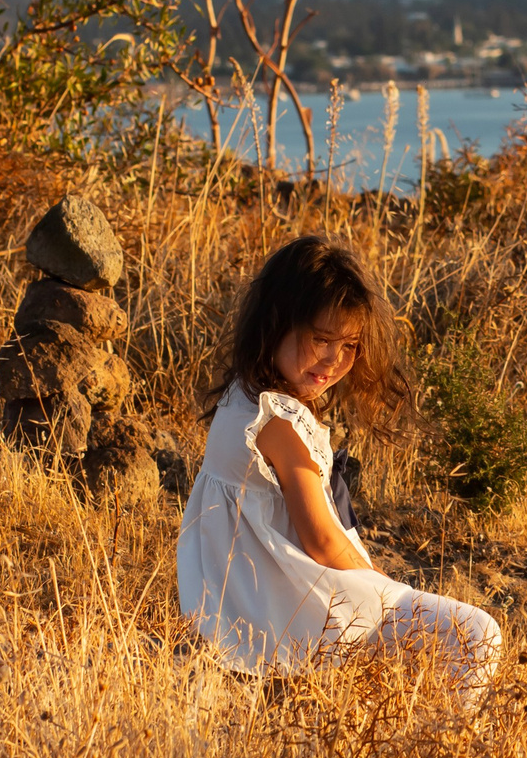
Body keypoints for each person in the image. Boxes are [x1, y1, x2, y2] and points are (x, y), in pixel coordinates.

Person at [176, 235, 502, 704]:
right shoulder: (280, 422)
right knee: (478, 632)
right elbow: (322, 541)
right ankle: (447, 746)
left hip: (256, 609)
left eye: (349, 344)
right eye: (321, 339)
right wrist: (385, 587)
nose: (333, 360)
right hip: (303, 612)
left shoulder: (241, 400)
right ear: (277, 323)